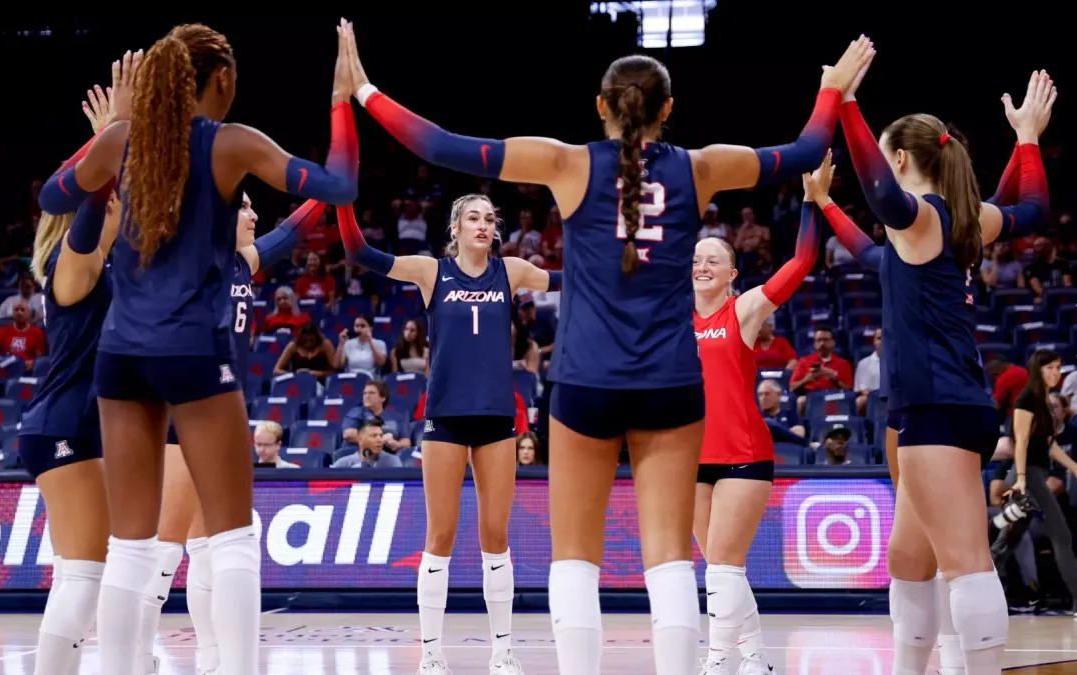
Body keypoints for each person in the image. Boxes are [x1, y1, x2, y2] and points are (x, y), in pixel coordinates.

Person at [341, 22, 872, 674]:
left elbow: (442, 144)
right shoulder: (700, 167)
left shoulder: (567, 163)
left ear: (600, 105)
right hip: (671, 382)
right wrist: (831, 89)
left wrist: (363, 89)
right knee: (671, 558)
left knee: (574, 559)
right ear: (668, 108)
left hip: (585, 381)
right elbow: (805, 150)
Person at [37, 22, 360, 675]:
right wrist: (340, 104)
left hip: (121, 357)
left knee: (130, 546)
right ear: (223, 79)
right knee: (233, 537)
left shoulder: (123, 141)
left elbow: (51, 195)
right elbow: (339, 185)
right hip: (191, 351)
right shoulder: (230, 142)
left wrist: (108, 140)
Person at [820, 63, 1055, 675]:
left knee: (966, 562)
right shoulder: (960, 221)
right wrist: (1026, 139)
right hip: (948, 405)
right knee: (908, 559)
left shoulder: (921, 217)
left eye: (886, 157)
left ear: (899, 159)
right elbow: (1030, 207)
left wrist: (846, 103)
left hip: (937, 407)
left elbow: (881, 196)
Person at [337, 195, 553, 675]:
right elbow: (360, 252)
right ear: (456, 227)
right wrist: (342, 202)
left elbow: (569, 279)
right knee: (440, 534)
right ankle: (431, 653)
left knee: (495, 536)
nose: (483, 224)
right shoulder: (431, 271)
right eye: (473, 217)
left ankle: (502, 653)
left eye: (490, 218)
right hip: (445, 417)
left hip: (496, 416)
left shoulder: (511, 270)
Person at [138, 195, 328, 675]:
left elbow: (290, 232)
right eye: (243, 206)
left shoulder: (242, 261)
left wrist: (327, 190)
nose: (254, 215)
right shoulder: (189, 256)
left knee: (205, 549)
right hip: (184, 409)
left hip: (223, 412)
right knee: (165, 549)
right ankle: (135, 657)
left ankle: (211, 661)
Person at [691, 155, 825, 675]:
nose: (702, 266)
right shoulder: (674, 318)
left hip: (743, 453)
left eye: (713, 260)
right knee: (721, 569)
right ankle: (755, 658)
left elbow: (802, 261)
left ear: (732, 274)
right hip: (691, 458)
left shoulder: (743, 310)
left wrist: (811, 202)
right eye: (696, 259)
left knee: (723, 568)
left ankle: (717, 661)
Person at [21, 78, 124, 675]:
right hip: (63, 426)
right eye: (113, 199)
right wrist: (108, 144)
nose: (119, 204)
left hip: (77, 426)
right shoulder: (72, 263)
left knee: (84, 572)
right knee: (84, 575)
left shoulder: (102, 267)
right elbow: (86, 214)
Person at [990, 349, 1077, 617]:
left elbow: (1050, 445)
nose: (1056, 373)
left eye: (1059, 367)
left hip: (1035, 472)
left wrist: (1076, 469)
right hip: (1028, 475)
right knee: (1060, 534)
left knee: (1009, 539)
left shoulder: (1044, 402)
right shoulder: (1026, 399)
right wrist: (1021, 479)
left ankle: (979, 582)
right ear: (1037, 370)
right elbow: (1020, 442)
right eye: (1050, 368)